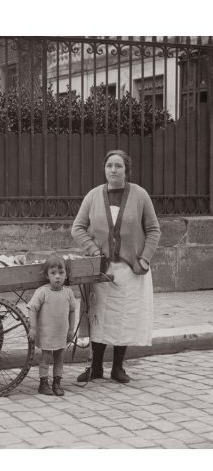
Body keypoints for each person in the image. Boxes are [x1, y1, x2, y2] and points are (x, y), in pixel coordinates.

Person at [71, 150, 161, 384]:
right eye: (109, 165)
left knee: (125, 317)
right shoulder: (93, 196)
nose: (113, 170)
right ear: (104, 169)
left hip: (131, 270)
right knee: (99, 316)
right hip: (103, 271)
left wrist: (145, 258)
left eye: (118, 166)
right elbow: (78, 228)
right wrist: (94, 251)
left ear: (126, 170)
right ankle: (96, 367)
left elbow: (153, 229)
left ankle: (118, 367)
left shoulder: (140, 195)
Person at [27, 254, 76, 396]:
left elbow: (72, 311)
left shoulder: (68, 293)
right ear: (47, 275)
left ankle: (57, 383)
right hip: (47, 333)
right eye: (53, 273)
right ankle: (43, 384)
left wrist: (71, 329)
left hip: (61, 333)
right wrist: (33, 328)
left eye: (61, 273)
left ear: (66, 275)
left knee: (59, 358)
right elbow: (32, 308)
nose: (57, 277)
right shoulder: (43, 292)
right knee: (46, 358)